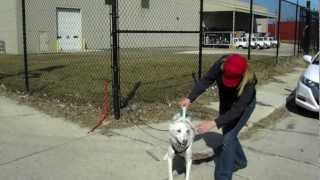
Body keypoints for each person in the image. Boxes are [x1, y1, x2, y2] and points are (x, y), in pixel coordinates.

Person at [179, 54, 257, 180]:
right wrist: (190, 98)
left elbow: (237, 110)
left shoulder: (250, 83)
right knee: (228, 133)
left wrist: (212, 123)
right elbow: (206, 80)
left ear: (242, 75)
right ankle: (240, 161)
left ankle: (223, 176)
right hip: (226, 102)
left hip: (243, 107)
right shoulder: (221, 64)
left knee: (228, 138)